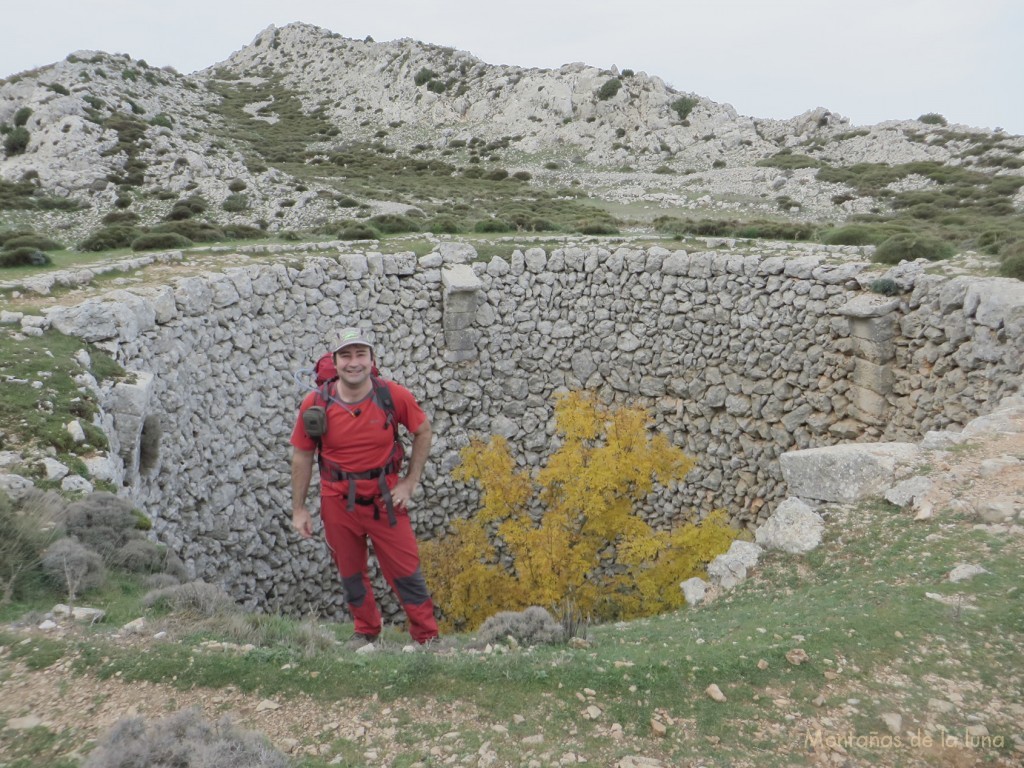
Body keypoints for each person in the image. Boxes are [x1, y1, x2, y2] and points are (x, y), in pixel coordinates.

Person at [290, 327, 439, 645]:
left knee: (406, 569)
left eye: (360, 354)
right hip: (337, 498)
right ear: (335, 361)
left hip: (386, 499)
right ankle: (366, 632)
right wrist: (299, 508)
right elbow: (302, 455)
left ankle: (426, 636)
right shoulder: (315, 403)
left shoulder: (393, 395)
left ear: (372, 359)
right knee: (350, 571)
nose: (353, 362)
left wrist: (410, 483)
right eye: (346, 355)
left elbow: (423, 431)